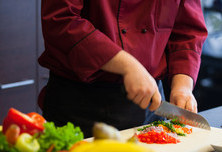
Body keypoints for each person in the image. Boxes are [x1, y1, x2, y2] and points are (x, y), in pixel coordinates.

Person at [38, 0, 208, 137]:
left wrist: (182, 86)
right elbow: (61, 20)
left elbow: (188, 30)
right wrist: (128, 66)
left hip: (151, 103)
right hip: (80, 106)